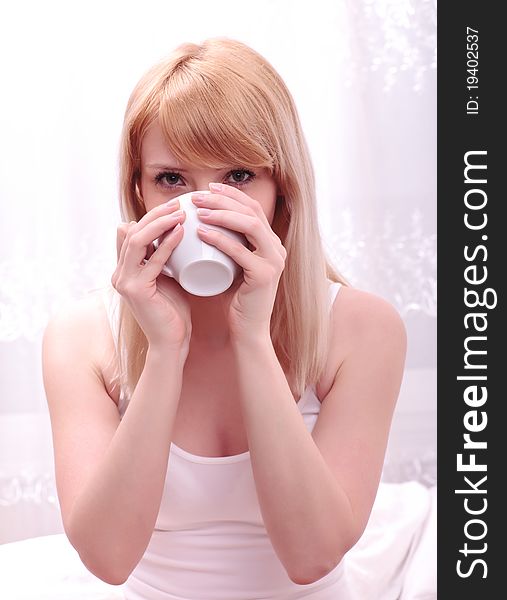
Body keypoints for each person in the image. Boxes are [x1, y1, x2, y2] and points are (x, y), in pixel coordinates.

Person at [42, 37, 407, 599]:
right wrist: (163, 351)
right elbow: (108, 560)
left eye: (238, 176)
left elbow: (312, 556)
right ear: (138, 193)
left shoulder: (362, 328)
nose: (203, 206)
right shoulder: (82, 335)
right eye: (171, 179)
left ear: (281, 191)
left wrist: (252, 338)